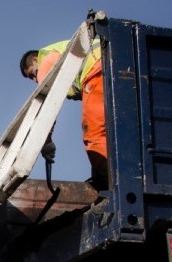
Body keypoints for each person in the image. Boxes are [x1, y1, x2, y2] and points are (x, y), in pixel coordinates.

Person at [20, 39, 108, 190]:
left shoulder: (46, 60)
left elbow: (46, 109)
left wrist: (45, 142)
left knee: (94, 136)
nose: (36, 80)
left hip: (96, 71)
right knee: (110, 137)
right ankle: (105, 179)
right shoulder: (61, 54)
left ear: (35, 60)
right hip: (110, 64)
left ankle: (116, 182)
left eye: (33, 74)